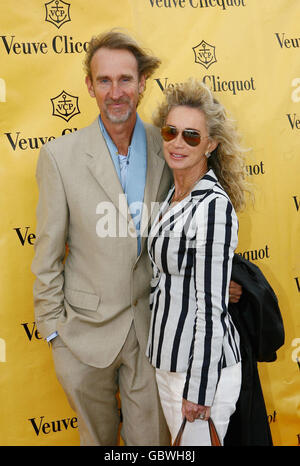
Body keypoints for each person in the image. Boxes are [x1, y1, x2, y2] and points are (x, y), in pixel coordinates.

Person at [32, 30, 242, 446]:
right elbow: (47, 253)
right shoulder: (60, 157)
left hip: (156, 337)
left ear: (143, 83)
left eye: (125, 79)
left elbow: (193, 225)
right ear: (90, 86)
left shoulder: (168, 142)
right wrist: (54, 331)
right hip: (83, 336)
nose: (116, 92)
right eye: (104, 80)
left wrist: (213, 285)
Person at [146, 78, 250, 446]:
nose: (177, 142)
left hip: (198, 373)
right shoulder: (172, 195)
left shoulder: (212, 206)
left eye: (191, 136)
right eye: (171, 131)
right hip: (168, 360)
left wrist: (200, 390)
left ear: (211, 143)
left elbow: (211, 305)